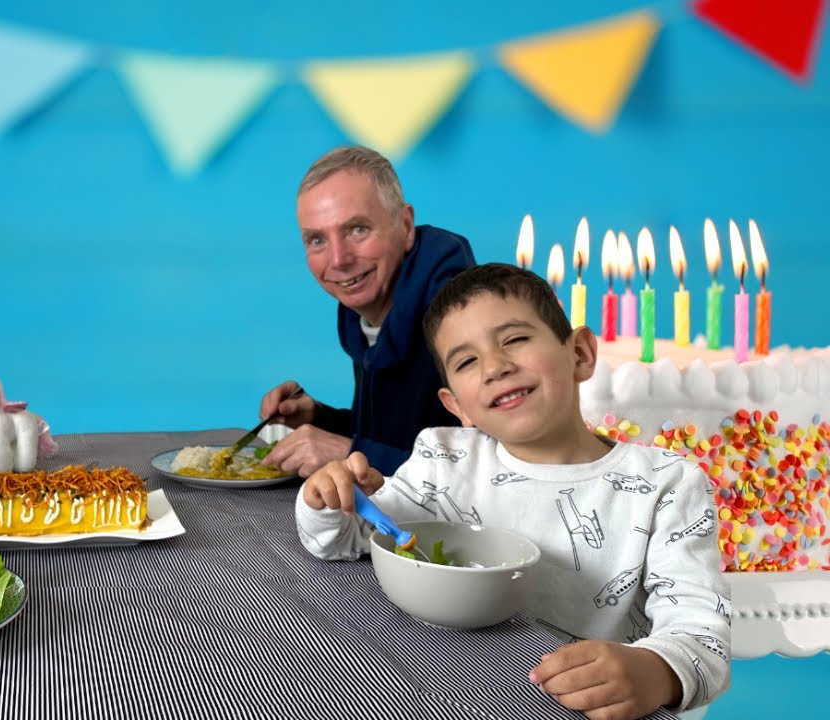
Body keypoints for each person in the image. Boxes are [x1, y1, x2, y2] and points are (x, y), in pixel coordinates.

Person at [295, 264, 730, 718]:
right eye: (466, 362)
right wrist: (327, 500)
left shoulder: (667, 484)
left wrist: (656, 671)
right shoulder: (442, 459)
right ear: (456, 405)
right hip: (447, 692)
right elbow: (347, 539)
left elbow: (702, 638)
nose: (495, 367)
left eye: (515, 339)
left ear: (580, 354)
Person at [260, 145, 475, 478]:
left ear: (406, 226)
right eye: (317, 240)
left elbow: (487, 473)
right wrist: (319, 418)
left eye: (357, 229)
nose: (338, 260)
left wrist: (351, 454)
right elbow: (406, 438)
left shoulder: (464, 319)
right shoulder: (367, 316)